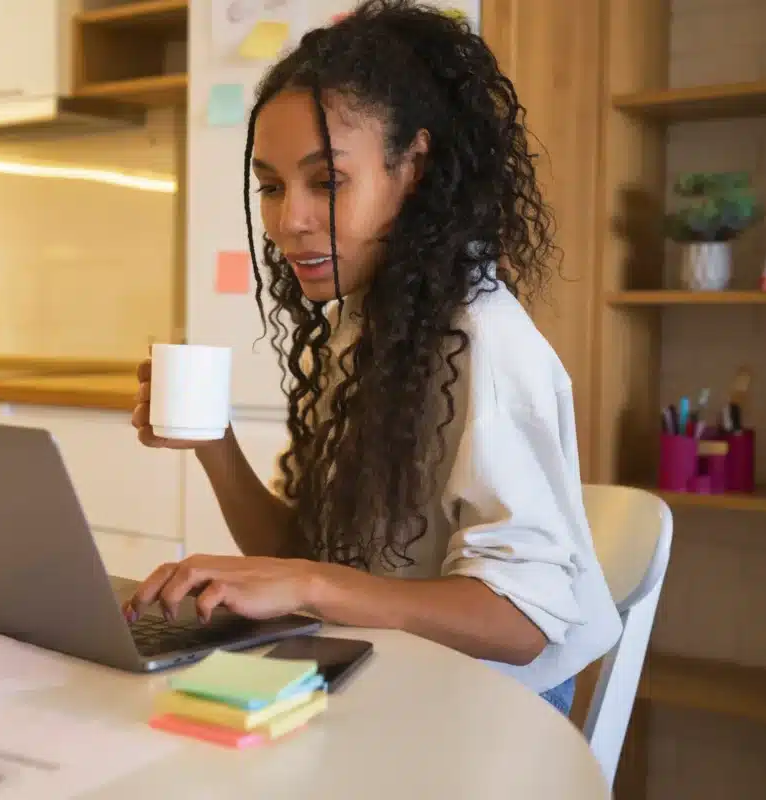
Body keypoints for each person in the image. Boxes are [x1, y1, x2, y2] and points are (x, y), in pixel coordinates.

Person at [124, 0, 621, 716]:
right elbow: (309, 553)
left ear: (412, 167)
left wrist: (309, 586)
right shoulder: (369, 326)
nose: (288, 219)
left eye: (327, 182)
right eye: (270, 186)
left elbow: (520, 623)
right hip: (390, 677)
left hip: (491, 714)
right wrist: (214, 445)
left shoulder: (484, 339)